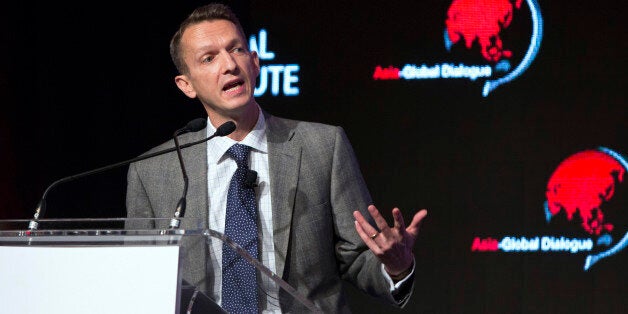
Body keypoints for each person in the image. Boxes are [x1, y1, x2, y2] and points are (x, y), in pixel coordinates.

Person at [126, 3, 428, 313]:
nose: (229, 64)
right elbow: (139, 278)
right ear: (186, 84)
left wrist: (397, 266)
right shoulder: (153, 172)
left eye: (237, 50)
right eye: (209, 58)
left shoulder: (322, 147)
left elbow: (360, 257)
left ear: (254, 62)